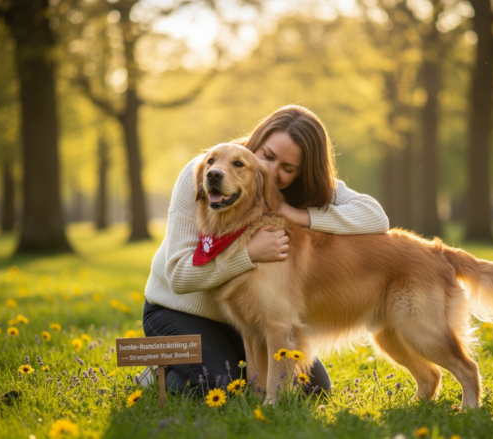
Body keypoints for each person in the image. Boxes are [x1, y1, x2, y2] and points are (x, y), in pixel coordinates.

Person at [142, 105, 389, 395]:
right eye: (268, 156)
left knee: (313, 389)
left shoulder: (292, 189)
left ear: (301, 173)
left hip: (247, 322)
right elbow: (178, 278)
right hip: (177, 312)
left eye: (287, 168)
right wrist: (247, 255)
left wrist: (297, 214)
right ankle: (156, 367)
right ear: (257, 141)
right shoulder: (208, 171)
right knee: (217, 386)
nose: (272, 172)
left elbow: (375, 216)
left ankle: (220, 362)